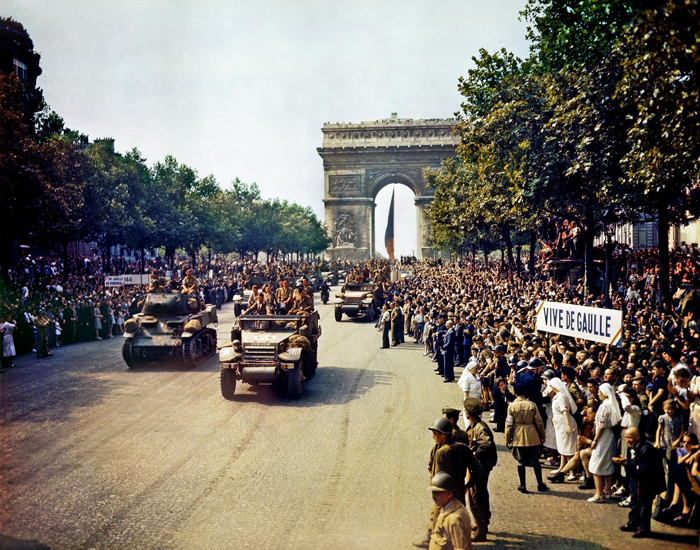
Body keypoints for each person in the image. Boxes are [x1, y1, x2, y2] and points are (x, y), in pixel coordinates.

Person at [615, 427, 666, 538]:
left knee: (643, 505)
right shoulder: (631, 448)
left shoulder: (646, 449)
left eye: (630, 437)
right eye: (626, 437)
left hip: (646, 482)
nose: (628, 440)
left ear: (637, 437)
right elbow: (633, 467)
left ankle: (644, 529)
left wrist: (625, 464)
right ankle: (632, 524)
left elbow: (642, 470)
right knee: (634, 502)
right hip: (635, 480)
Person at [463, 397, 497, 542]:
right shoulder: (474, 426)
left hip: (480, 468)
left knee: (476, 497)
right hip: (479, 467)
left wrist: (474, 455)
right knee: (479, 494)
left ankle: (481, 530)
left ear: (468, 413)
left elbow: (486, 444)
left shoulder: (479, 428)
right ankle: (481, 524)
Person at [505, 383, 548, 493]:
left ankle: (523, 485)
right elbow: (539, 422)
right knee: (535, 460)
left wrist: (507, 439)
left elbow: (509, 425)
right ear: (525, 393)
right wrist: (542, 435)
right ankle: (539, 483)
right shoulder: (532, 405)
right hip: (532, 434)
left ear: (515, 393)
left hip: (518, 435)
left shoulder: (511, 407)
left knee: (521, 461)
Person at [587, 382, 622, 502]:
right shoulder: (612, 404)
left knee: (596, 465)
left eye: (601, 392)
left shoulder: (604, 406)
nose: (599, 394)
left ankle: (599, 493)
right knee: (607, 463)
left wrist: (595, 440)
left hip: (603, 437)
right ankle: (607, 490)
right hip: (610, 436)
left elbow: (601, 426)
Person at [428, 472, 473, 550]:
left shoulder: (453, 520)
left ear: (449, 494)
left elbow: (461, 548)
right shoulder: (447, 508)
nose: (433, 497)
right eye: (432, 492)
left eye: (436, 493)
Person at [546, 377, 579, 483]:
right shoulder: (556, 397)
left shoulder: (561, 397)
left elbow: (565, 411)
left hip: (564, 423)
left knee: (568, 447)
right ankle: (562, 468)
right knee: (562, 447)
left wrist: (568, 425)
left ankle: (571, 472)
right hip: (559, 424)